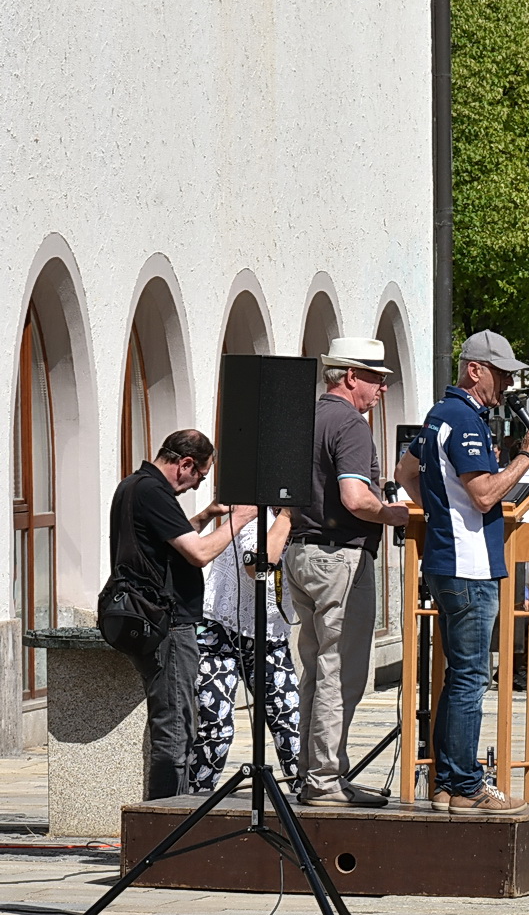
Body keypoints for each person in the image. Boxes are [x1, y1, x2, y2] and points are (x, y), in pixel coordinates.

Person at [397, 330, 529, 816]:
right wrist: (527, 455)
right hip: (469, 566)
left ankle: (446, 783)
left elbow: (406, 474)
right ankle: (466, 786)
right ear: (474, 369)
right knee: (469, 679)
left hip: (449, 561)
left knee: (458, 678)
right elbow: (485, 494)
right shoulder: (463, 418)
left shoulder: (440, 417)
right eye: (501, 373)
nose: (507, 383)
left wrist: (440, 516)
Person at [284, 338, 410, 809]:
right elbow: (356, 499)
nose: (381, 388)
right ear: (351, 376)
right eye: (377, 378)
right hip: (339, 556)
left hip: (301, 553)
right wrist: (393, 513)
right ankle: (323, 781)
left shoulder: (307, 417)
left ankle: (314, 773)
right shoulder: (351, 425)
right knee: (341, 674)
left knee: (316, 672)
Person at [109, 430, 255, 800]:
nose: (195, 486)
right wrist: (238, 520)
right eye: (199, 478)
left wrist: (206, 516)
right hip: (168, 625)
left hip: (150, 618)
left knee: (174, 722)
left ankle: (163, 821)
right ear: (185, 463)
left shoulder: (134, 485)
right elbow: (200, 554)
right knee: (176, 729)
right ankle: (164, 828)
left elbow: (169, 543)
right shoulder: (154, 492)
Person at [192, 508, 300, 793]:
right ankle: (194, 805)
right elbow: (258, 565)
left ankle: (308, 810)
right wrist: (287, 516)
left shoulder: (311, 522)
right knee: (216, 729)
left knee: (292, 727)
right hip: (219, 632)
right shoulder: (255, 512)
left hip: (271, 636)